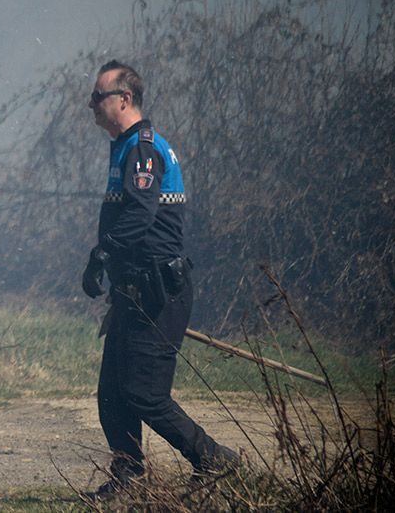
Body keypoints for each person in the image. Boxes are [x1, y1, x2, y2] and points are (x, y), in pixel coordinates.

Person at [82, 60, 239, 495]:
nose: (91, 104)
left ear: (124, 99)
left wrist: (102, 252)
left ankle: (213, 459)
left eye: (99, 96)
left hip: (159, 292)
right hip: (134, 289)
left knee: (144, 393)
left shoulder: (143, 149)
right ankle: (129, 476)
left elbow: (140, 214)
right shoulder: (125, 146)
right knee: (113, 393)